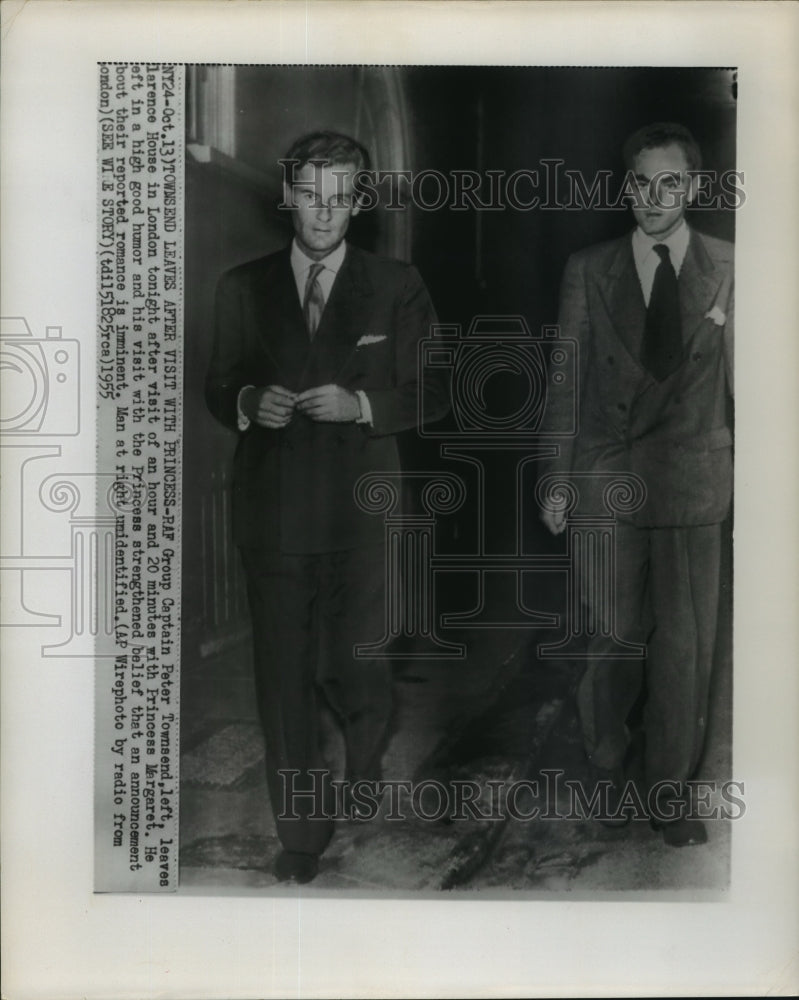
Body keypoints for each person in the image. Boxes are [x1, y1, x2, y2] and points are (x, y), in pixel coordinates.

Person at [205, 130, 448, 882]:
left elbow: (433, 388)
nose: (322, 212)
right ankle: (300, 834)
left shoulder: (396, 283)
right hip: (273, 512)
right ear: (288, 196)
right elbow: (219, 384)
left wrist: (363, 403)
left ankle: (365, 752)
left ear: (358, 201)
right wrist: (249, 401)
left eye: (339, 196)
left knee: (356, 671)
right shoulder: (242, 287)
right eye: (310, 193)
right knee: (282, 679)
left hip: (361, 513)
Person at [539, 122, 734, 847]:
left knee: (684, 648)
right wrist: (554, 480)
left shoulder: (730, 268)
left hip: (691, 482)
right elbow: (564, 379)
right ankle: (606, 759)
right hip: (606, 480)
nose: (653, 197)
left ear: (694, 188)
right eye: (640, 182)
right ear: (625, 186)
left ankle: (669, 792)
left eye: (670, 183)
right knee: (613, 641)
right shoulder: (589, 268)